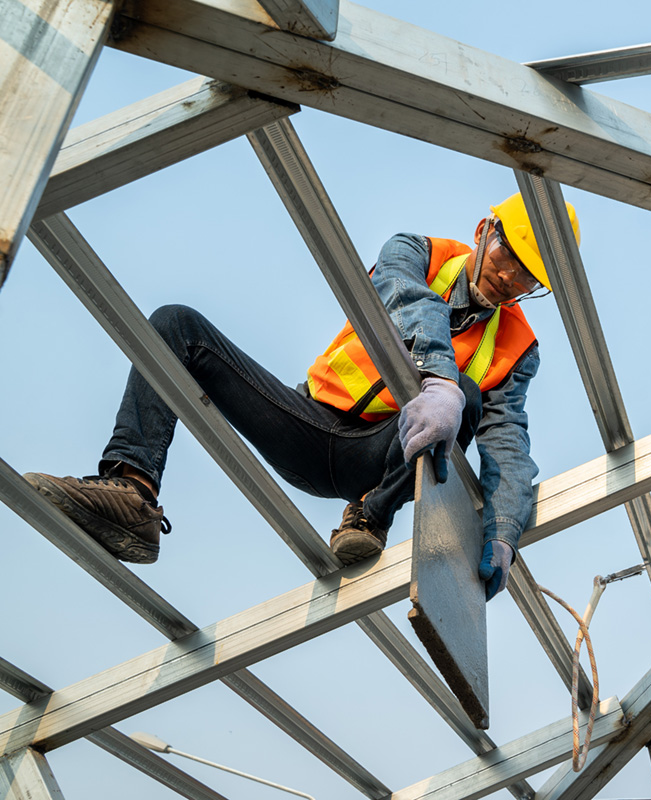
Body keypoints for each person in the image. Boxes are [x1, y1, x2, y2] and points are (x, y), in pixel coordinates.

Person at [24, 192, 579, 600]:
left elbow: (508, 443)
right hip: (307, 424)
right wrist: (437, 377)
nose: (512, 280)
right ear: (486, 229)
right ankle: (133, 492)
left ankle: (369, 518)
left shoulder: (518, 345)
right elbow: (405, 298)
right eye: (511, 257)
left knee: (469, 400)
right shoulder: (415, 253)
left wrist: (505, 531)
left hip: (377, 463)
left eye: (531, 278)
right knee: (174, 326)